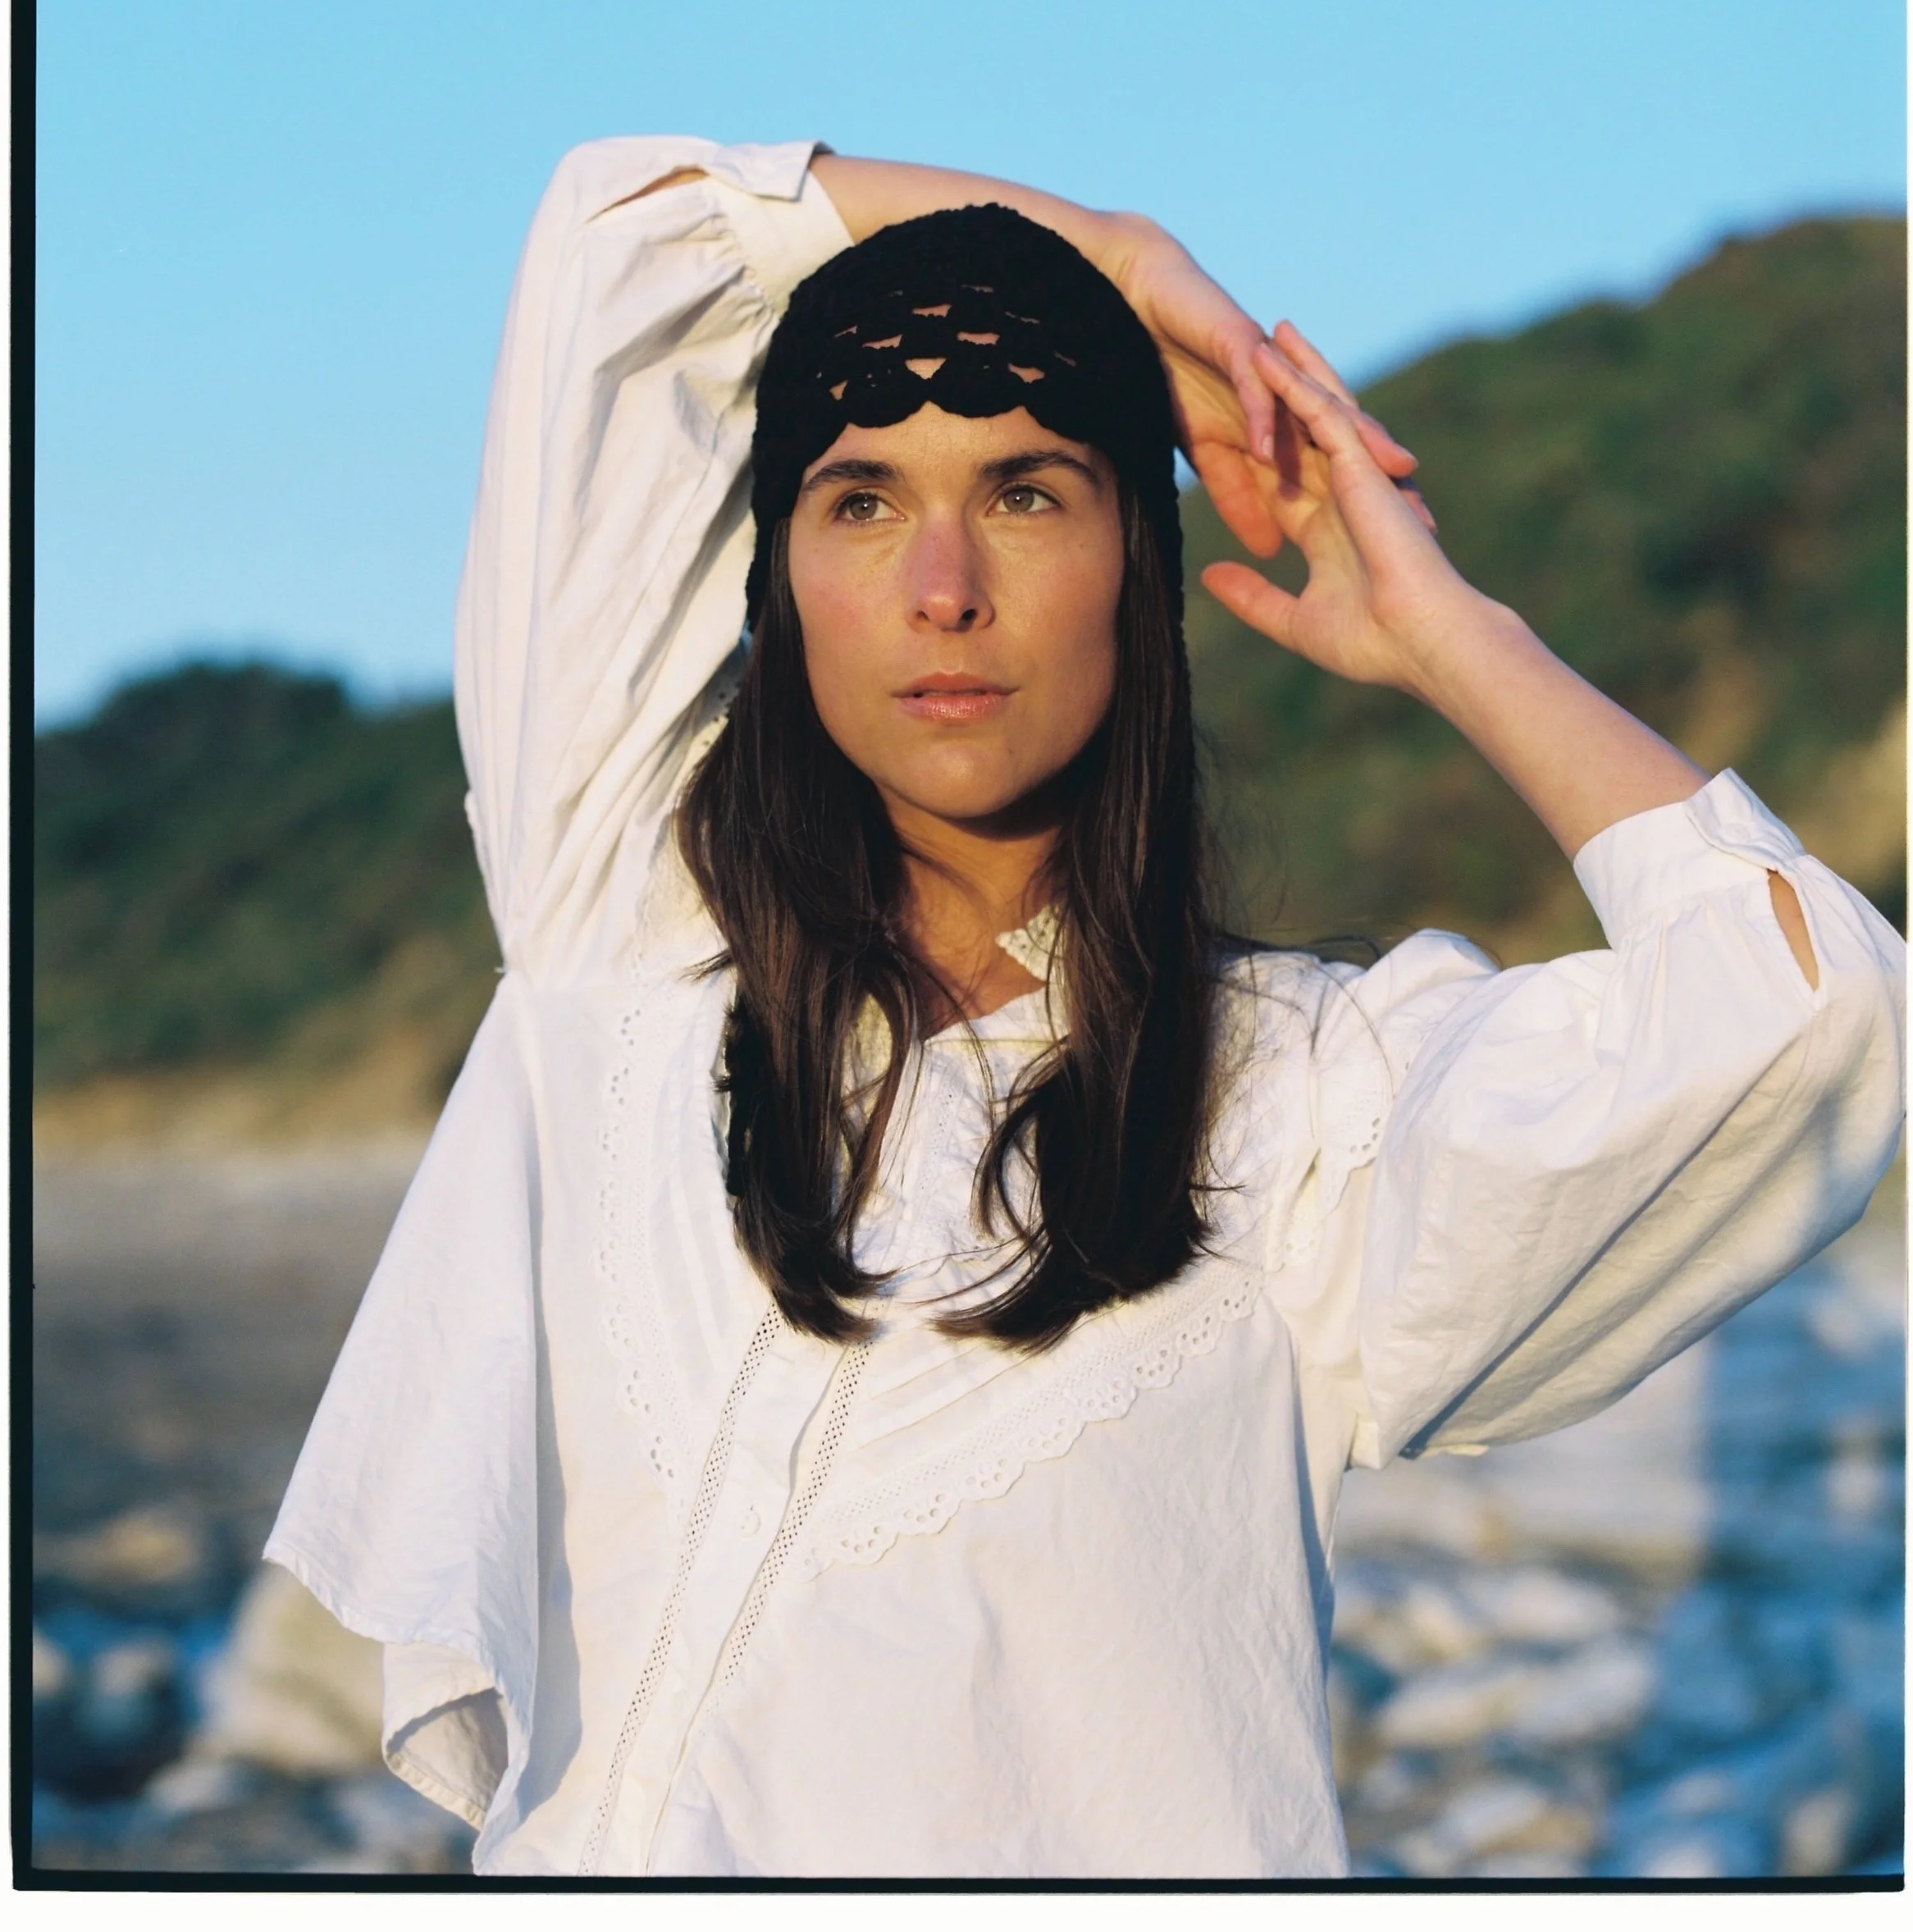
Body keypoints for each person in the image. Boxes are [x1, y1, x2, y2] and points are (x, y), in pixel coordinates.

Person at [268, 137, 1903, 1879]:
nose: (941, 587)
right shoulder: (628, 937)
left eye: (1029, 493)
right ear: (782, 581)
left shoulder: (1297, 1103)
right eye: (862, 501)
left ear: (1138, 558)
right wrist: (1113, 258)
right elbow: (627, 241)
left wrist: (1441, 628)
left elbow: (1809, 1020)